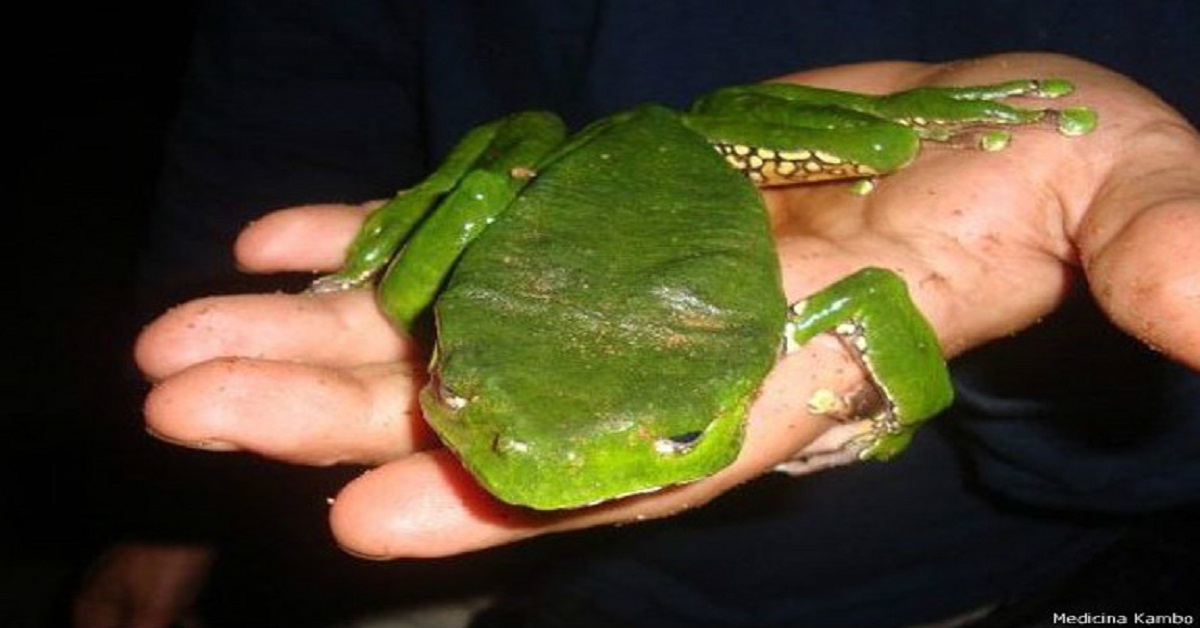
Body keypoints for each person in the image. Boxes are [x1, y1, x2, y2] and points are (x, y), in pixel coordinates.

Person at [76, 2, 1200, 627]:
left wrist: (905, 404)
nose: (512, 470)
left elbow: (863, 285)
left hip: (901, 581)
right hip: (565, 171)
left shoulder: (784, 311)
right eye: (464, 397)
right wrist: (393, 263)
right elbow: (301, 59)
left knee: (891, 141)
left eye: (677, 434)